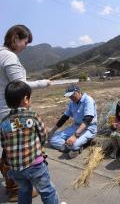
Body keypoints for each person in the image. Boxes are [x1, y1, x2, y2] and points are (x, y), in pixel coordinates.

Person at [0, 24, 51, 202]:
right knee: (15, 150)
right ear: (15, 38)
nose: (26, 45)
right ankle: (16, 188)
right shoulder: (9, 57)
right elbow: (20, 87)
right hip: (9, 111)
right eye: (25, 41)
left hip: (3, 110)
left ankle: (15, 185)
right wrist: (44, 83)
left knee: (8, 148)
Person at [0, 81, 61, 204]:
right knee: (46, 190)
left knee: (23, 190)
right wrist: (39, 146)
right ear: (26, 99)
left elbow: (4, 144)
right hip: (35, 165)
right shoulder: (32, 116)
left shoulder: (4, 122)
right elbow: (43, 136)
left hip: (16, 169)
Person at [49, 84, 97, 159]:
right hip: (76, 126)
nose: (71, 98)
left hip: (88, 128)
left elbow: (88, 119)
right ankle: (74, 147)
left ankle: (78, 145)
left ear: (78, 92)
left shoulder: (88, 100)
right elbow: (65, 117)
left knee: (73, 144)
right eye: (69, 96)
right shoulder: (72, 103)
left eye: (72, 95)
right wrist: (53, 130)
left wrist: (75, 136)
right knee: (53, 139)